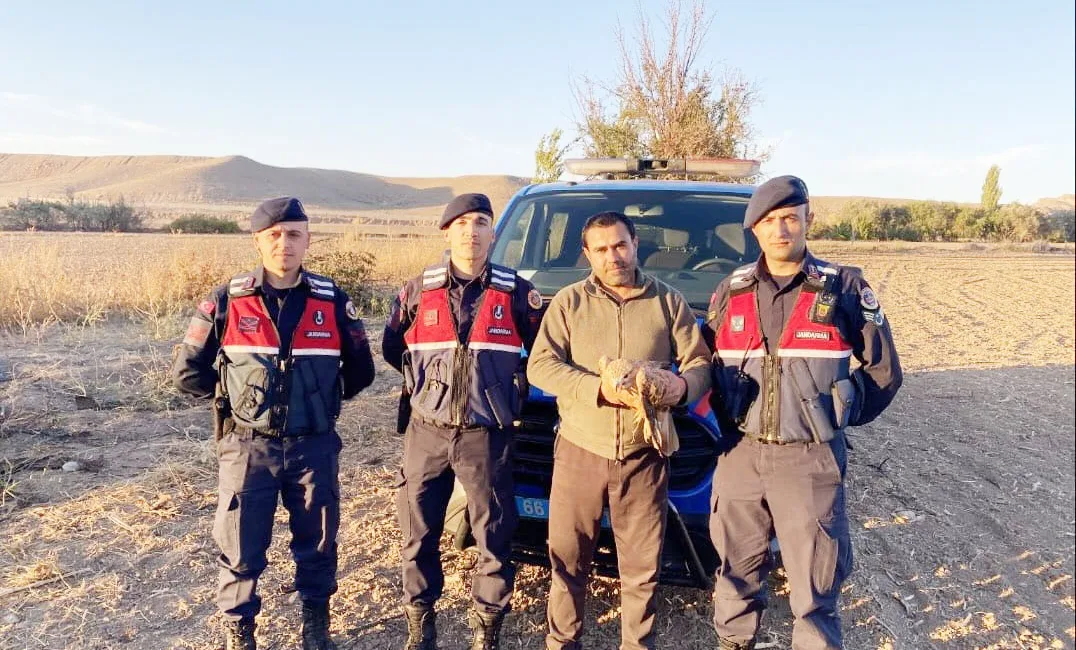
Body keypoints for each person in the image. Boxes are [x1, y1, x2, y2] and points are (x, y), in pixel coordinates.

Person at [702, 176, 903, 650]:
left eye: (790, 218)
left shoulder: (844, 287)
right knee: (734, 577)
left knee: (814, 591)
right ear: (755, 231)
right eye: (769, 222)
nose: (781, 230)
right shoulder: (730, 291)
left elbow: (883, 372)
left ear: (808, 220)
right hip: (741, 458)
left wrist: (840, 410)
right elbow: (704, 366)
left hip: (809, 460)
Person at [172, 197, 375, 650]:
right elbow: (188, 372)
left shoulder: (333, 300)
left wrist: (317, 401)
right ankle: (239, 631)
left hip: (314, 447)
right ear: (259, 241)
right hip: (248, 449)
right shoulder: (227, 300)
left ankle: (316, 628)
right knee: (240, 547)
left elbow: (361, 371)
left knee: (318, 543)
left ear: (308, 241)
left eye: (294, 234)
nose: (285, 243)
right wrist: (238, 405)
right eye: (275, 235)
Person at [526, 211, 711, 650]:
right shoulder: (569, 303)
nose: (614, 256)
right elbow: (541, 365)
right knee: (568, 560)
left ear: (635, 244)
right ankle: (562, 642)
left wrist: (681, 386)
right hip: (580, 451)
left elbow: (700, 362)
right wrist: (598, 390)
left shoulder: (669, 302)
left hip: (644, 454)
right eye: (603, 249)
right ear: (587, 253)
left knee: (641, 569)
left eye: (621, 245)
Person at [382, 193, 542, 650]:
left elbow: (542, 354)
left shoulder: (517, 293)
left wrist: (498, 393)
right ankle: (420, 624)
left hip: (487, 435)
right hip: (427, 431)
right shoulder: (417, 290)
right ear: (446, 232)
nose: (471, 232)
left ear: (494, 233)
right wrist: (433, 389)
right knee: (418, 530)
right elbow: (394, 347)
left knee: (493, 534)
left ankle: (486, 628)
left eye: (481, 223)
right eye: (462, 224)